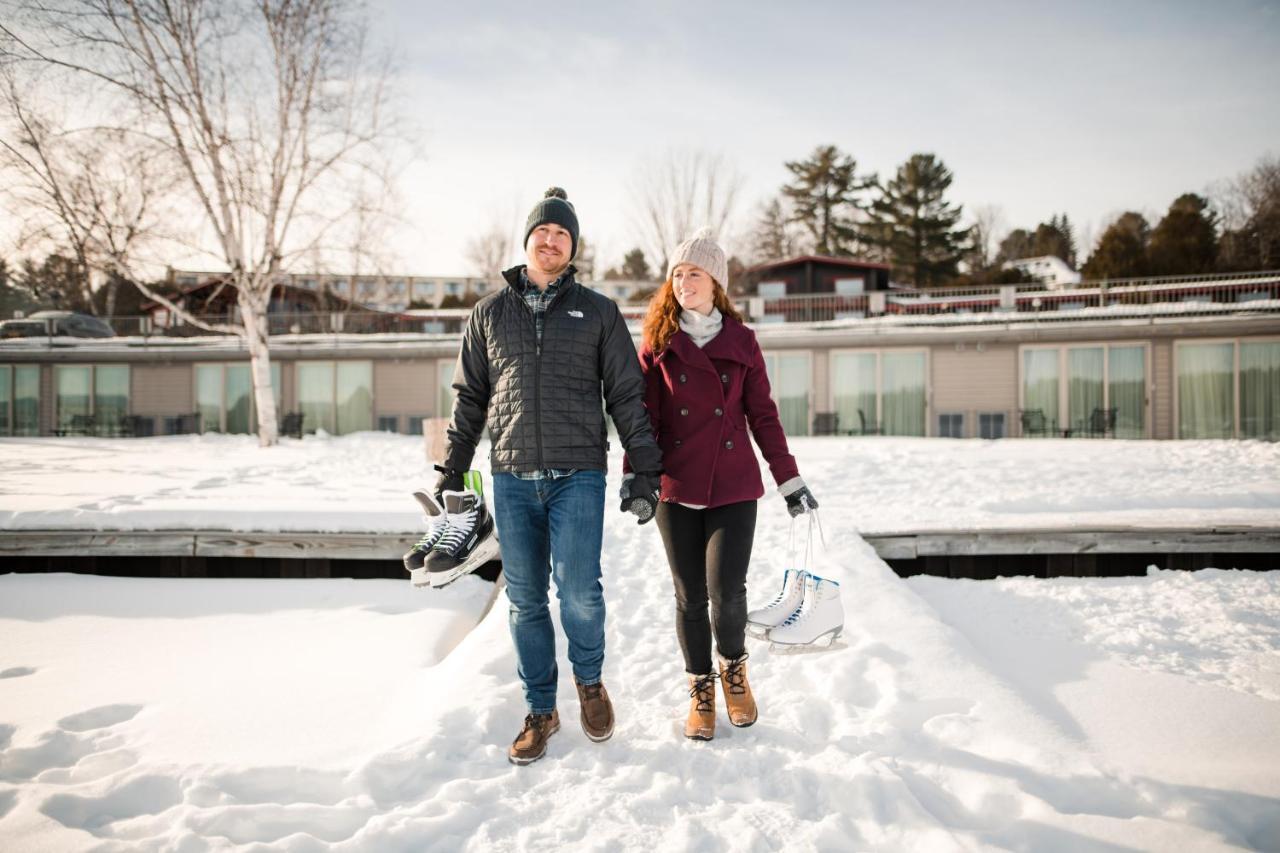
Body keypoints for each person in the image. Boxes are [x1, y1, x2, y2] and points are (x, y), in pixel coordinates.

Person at [437, 187, 663, 765]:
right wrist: (454, 470)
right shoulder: (489, 313)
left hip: (578, 473)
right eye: (543, 231)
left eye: (562, 234)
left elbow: (627, 397)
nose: (551, 240)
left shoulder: (599, 311)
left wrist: (644, 470)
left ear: (573, 247)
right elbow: (470, 399)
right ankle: (541, 708)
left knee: (580, 593)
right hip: (512, 475)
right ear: (528, 240)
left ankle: (589, 682)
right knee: (526, 601)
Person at [624, 228, 817, 741]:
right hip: (676, 484)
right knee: (689, 597)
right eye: (678, 274)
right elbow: (643, 419)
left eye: (695, 272)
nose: (684, 281)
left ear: (716, 282)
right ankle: (700, 689)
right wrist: (637, 477)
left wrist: (789, 478)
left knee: (727, 593)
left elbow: (764, 416)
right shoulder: (658, 344)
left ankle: (734, 669)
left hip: (733, 483)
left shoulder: (743, 342)